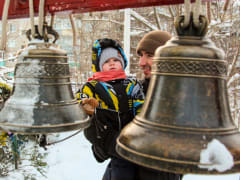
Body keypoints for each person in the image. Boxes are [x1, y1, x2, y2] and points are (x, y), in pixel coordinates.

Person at [76, 38, 145, 180]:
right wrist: (85, 104)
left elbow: (141, 104)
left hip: (132, 137)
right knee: (121, 170)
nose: (112, 63)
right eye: (106, 61)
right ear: (99, 66)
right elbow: (80, 97)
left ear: (123, 62)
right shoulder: (93, 86)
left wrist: (142, 125)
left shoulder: (131, 83)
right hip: (106, 134)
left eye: (116, 60)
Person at [136, 30, 183, 179]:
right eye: (141, 55)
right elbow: (102, 148)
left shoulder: (183, 97)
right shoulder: (135, 91)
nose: (141, 63)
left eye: (149, 55)